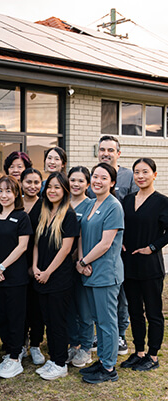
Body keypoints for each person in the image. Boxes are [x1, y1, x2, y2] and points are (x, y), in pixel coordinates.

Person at [88, 136, 138, 355]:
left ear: (119, 153)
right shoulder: (96, 177)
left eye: (110, 149)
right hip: (99, 244)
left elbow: (135, 212)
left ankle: (119, 336)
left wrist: (125, 240)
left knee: (119, 295)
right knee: (104, 299)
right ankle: (103, 337)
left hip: (119, 243)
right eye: (102, 149)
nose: (106, 153)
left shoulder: (128, 176)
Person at [76, 163, 124, 384]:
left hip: (105, 273)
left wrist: (84, 261)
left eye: (103, 178)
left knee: (107, 322)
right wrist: (80, 262)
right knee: (98, 320)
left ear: (112, 182)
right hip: (88, 270)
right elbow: (81, 236)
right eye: (95, 176)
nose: (97, 181)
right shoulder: (91, 204)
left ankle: (109, 368)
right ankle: (103, 358)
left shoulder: (114, 206)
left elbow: (105, 243)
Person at [121, 158, 168, 371]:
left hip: (150, 266)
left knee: (153, 312)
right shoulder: (127, 200)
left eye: (145, 172)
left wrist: (152, 247)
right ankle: (138, 351)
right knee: (135, 311)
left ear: (154, 175)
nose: (140, 176)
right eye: (137, 172)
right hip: (129, 264)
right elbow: (120, 225)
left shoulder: (162, 202)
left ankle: (153, 355)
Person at [0, 176, 32, 379]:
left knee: (15, 317)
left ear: (16, 194)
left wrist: (2, 266)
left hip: (15, 277)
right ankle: (7, 350)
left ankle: (15, 356)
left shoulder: (22, 217)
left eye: (8, 191)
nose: (4, 195)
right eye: (0, 191)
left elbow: (23, 246)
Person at [32, 172, 79, 381]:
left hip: (58, 278)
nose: (52, 191)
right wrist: (35, 267)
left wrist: (48, 272)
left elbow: (66, 249)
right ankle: (53, 359)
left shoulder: (68, 214)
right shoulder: (43, 212)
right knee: (48, 321)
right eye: (49, 186)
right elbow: (35, 244)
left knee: (58, 322)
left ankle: (60, 363)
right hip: (40, 275)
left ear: (65, 191)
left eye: (57, 187)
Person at [65, 166, 94, 368]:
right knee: (69, 308)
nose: (76, 184)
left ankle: (86, 347)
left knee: (84, 309)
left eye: (80, 181)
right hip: (63, 265)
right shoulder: (62, 203)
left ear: (88, 184)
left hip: (82, 264)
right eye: (73, 180)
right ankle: (73, 344)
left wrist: (82, 260)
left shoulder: (91, 205)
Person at [20, 168, 45, 366]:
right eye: (28, 182)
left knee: (37, 307)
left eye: (37, 182)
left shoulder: (45, 205)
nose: (32, 186)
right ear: (21, 183)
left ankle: (35, 344)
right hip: (15, 262)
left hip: (38, 263)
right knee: (20, 307)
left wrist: (35, 265)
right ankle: (20, 344)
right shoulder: (13, 203)